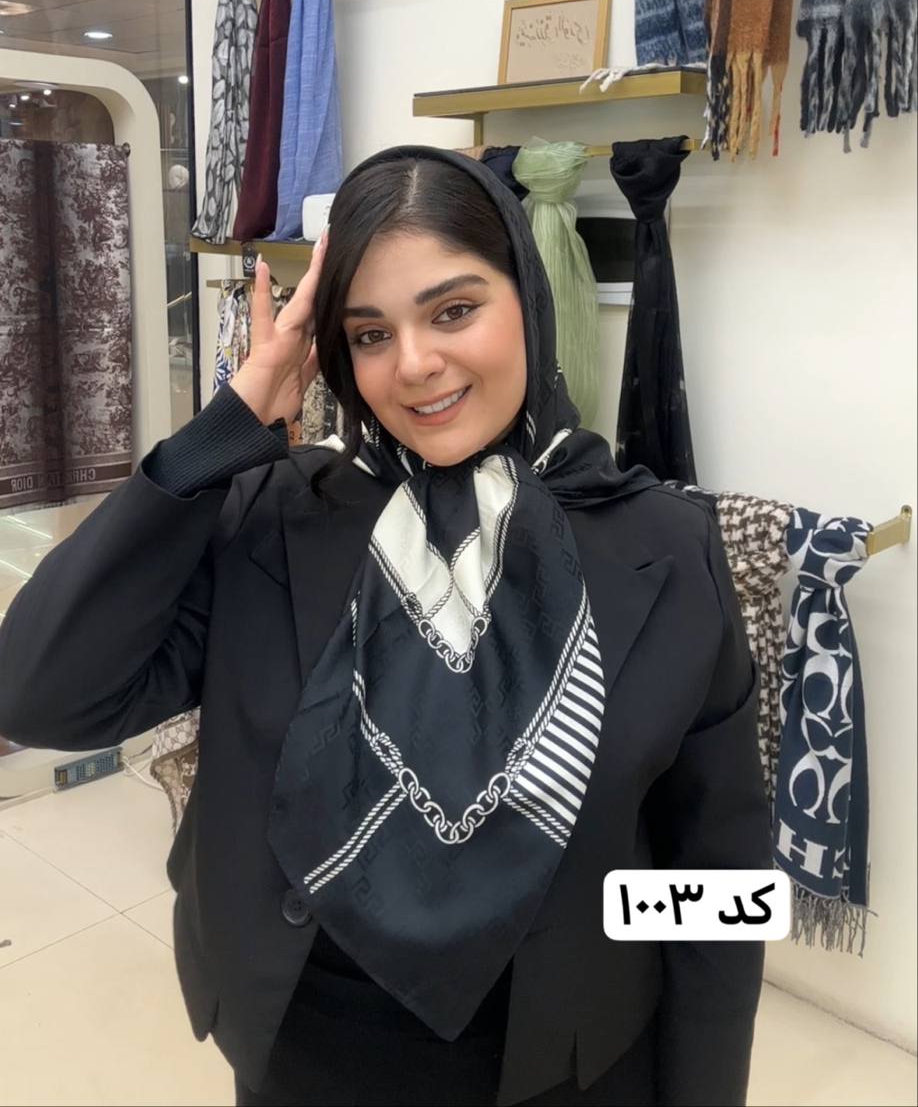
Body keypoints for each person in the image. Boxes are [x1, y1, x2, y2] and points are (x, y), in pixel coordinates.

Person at [0, 145, 772, 1107]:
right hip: (306, 1051)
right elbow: (39, 694)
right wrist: (226, 426)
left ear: (527, 301)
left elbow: (717, 869)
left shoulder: (661, 544)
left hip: (567, 1062)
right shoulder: (272, 519)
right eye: (369, 333)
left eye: (454, 310)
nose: (414, 365)